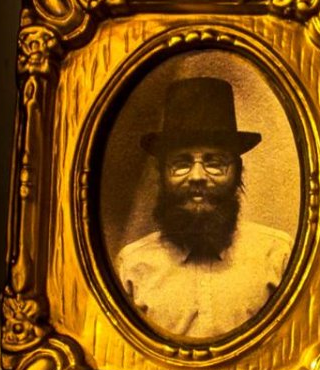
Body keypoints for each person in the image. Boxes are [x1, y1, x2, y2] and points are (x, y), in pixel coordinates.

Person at [113, 76, 292, 340]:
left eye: (215, 163)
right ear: (162, 174)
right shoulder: (132, 267)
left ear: (238, 172)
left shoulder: (277, 257)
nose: (197, 176)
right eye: (181, 163)